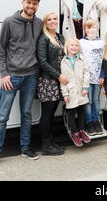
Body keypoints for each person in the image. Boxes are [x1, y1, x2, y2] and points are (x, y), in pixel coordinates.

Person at [0, 0, 43, 170]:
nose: (31, 6)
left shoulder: (39, 23)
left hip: (31, 76)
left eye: (35, 4)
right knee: (2, 117)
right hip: (12, 77)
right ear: (23, 3)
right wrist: (3, 74)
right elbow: (0, 51)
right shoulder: (9, 22)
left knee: (26, 114)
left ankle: (25, 148)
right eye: (29, 3)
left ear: (37, 6)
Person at [36, 12, 67, 156]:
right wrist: (58, 76)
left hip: (58, 81)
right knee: (47, 114)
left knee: (53, 113)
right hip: (48, 81)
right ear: (45, 23)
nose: (53, 21)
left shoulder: (60, 37)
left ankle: (51, 141)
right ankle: (46, 146)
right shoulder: (44, 39)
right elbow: (42, 62)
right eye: (49, 20)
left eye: (55, 19)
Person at [60, 38, 91, 147]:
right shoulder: (63, 62)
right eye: (72, 45)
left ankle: (82, 131)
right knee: (71, 113)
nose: (74, 47)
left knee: (82, 111)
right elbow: (62, 81)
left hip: (81, 90)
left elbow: (86, 73)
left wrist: (85, 87)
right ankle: (75, 133)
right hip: (71, 91)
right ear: (67, 47)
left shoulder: (81, 58)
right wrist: (65, 94)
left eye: (76, 46)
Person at [79, 19, 105, 136]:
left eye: (93, 27)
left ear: (97, 29)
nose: (91, 30)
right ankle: (89, 123)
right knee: (88, 101)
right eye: (88, 28)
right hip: (87, 78)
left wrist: (103, 75)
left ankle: (96, 121)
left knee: (96, 100)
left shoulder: (101, 43)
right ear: (85, 30)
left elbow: (104, 60)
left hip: (98, 77)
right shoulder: (81, 43)